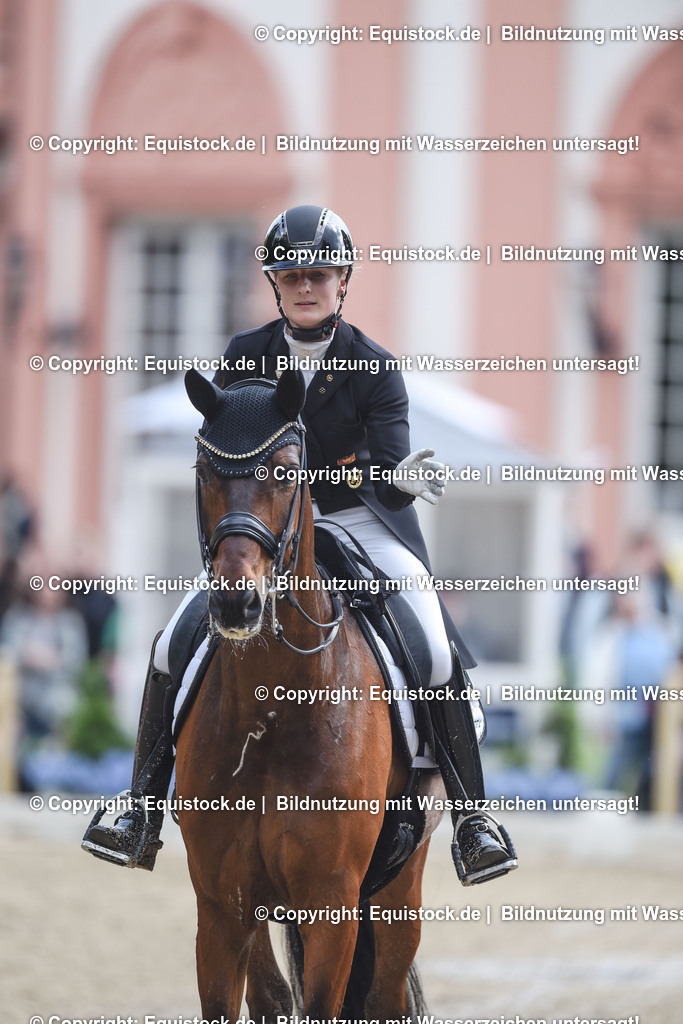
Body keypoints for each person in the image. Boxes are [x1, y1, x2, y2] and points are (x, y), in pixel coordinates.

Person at [83, 205, 517, 883]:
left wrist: (395, 478)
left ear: (342, 280)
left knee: (431, 648)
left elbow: (392, 477)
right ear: (274, 284)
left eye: (318, 273)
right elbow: (227, 454)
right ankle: (138, 809)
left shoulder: (374, 369)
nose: (305, 285)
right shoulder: (243, 357)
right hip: (262, 530)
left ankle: (473, 821)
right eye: (290, 275)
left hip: (358, 521)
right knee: (171, 642)